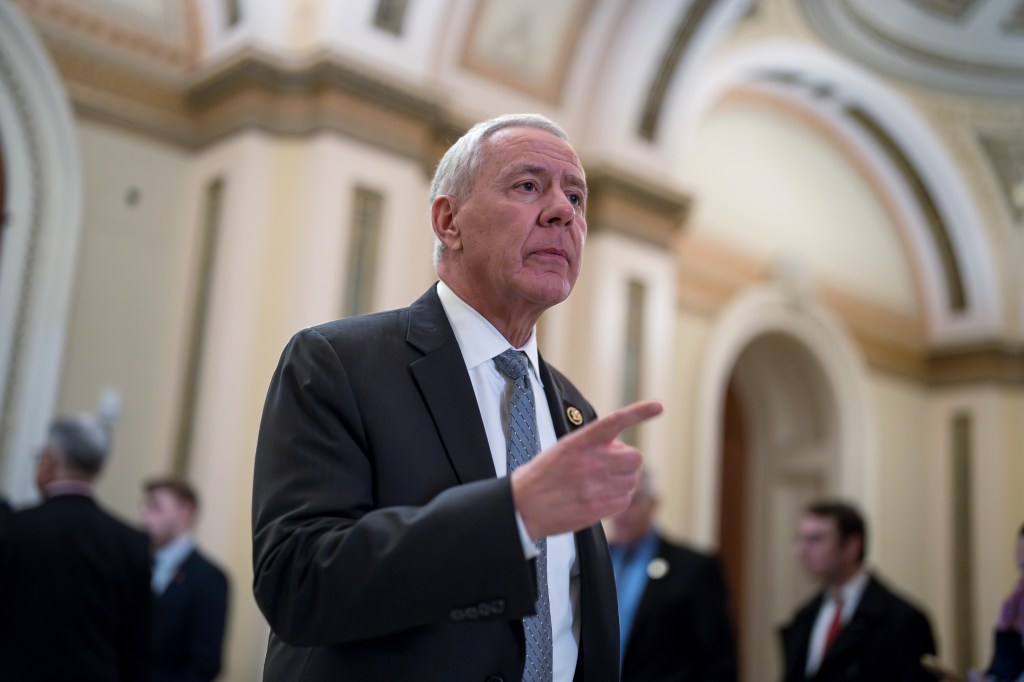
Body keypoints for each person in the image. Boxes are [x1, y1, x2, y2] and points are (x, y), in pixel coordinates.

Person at [252, 113, 663, 681]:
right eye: (527, 186)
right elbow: (298, 583)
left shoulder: (572, 411)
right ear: (448, 221)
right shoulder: (339, 363)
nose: (562, 211)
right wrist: (512, 514)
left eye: (576, 197)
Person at [0, 414, 152, 682]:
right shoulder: (131, 544)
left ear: (49, 461)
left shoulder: (14, 528)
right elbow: (137, 645)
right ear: (99, 470)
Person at [778, 500, 937, 682]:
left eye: (816, 540)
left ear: (851, 546)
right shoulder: (804, 617)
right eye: (800, 539)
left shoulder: (903, 620)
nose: (802, 551)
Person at [609, 471, 737, 681]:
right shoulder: (594, 565)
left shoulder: (694, 569)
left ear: (654, 504)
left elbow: (719, 661)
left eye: (634, 501)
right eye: (615, 500)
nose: (622, 512)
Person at [141, 478, 230, 682]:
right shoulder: (135, 564)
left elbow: (204, 665)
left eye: (155, 506)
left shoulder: (209, 578)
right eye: (144, 505)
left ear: (184, 513)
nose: (144, 514)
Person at [968, 522, 1024, 682]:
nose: (1021, 585)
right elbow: (1001, 673)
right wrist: (1007, 634)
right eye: (1020, 569)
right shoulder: (1014, 612)